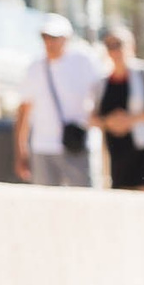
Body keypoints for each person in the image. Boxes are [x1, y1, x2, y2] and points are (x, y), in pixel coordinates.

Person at [16, 13, 102, 188]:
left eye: (54, 37)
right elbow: (24, 110)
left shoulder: (84, 61)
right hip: (43, 147)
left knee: (84, 203)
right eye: (45, 36)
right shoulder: (34, 68)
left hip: (78, 146)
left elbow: (101, 94)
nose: (49, 42)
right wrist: (20, 150)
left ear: (67, 38)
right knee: (45, 205)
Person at [94, 25, 144, 193]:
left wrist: (130, 120)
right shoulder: (102, 82)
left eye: (118, 44)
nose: (114, 50)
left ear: (131, 46)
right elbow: (92, 117)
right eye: (109, 45)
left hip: (143, 151)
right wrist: (109, 122)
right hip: (116, 155)